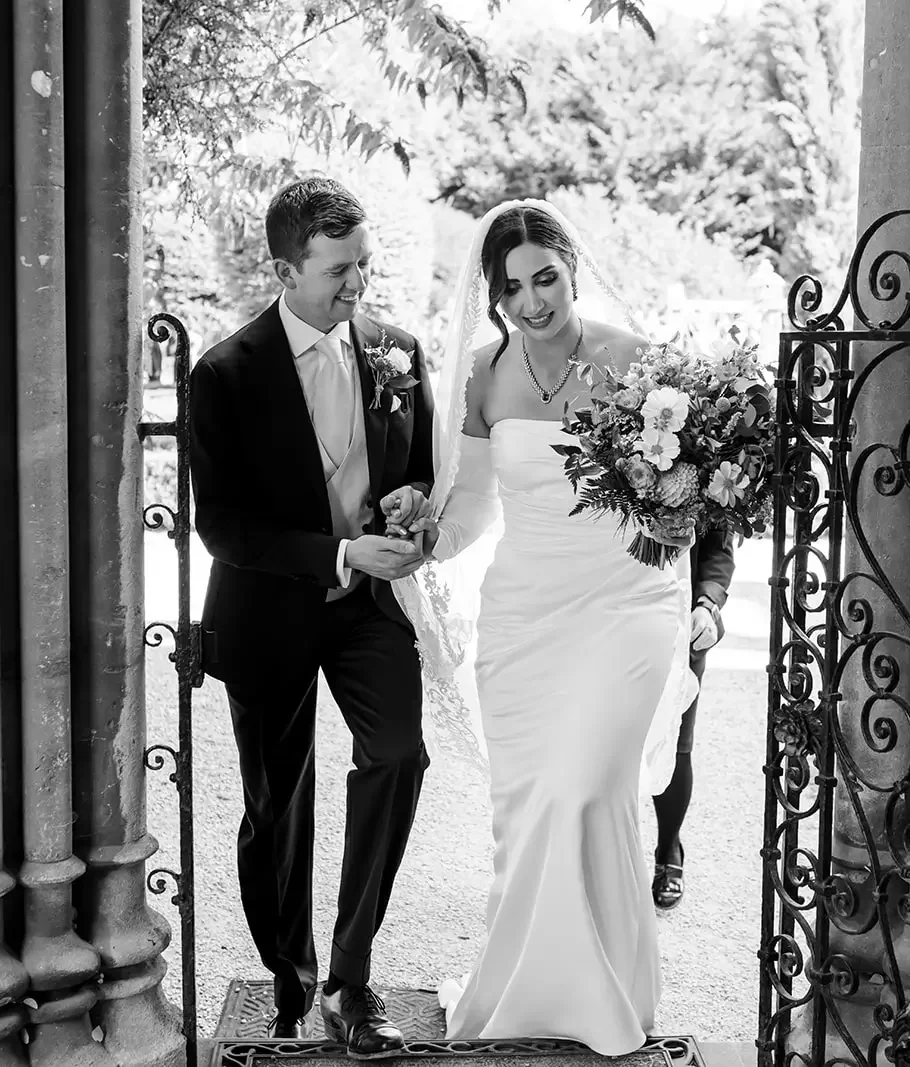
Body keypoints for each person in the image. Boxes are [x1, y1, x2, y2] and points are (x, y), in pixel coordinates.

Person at [390, 200, 697, 1056]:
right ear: (494, 296)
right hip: (526, 615)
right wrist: (426, 536)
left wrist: (687, 524)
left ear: (572, 268)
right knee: (529, 810)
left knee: (588, 784)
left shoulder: (638, 364)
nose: (533, 301)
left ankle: (604, 991)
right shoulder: (486, 376)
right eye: (513, 288)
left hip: (628, 603)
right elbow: (477, 504)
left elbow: (691, 493)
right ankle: (532, 986)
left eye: (546, 278)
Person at [189, 176, 436, 1057]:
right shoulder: (223, 373)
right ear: (286, 268)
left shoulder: (397, 351)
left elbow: (422, 473)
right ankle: (290, 979)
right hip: (268, 616)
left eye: (365, 264)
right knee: (275, 806)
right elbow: (222, 525)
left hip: (368, 610)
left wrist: (415, 513)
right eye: (339, 269)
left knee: (399, 754)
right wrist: (334, 554)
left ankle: (350, 975)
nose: (358, 285)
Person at [651, 526, 736, 910]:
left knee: (676, 739)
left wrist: (707, 604)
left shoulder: (704, 464)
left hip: (680, 617)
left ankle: (669, 848)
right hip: (608, 610)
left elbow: (719, 549)